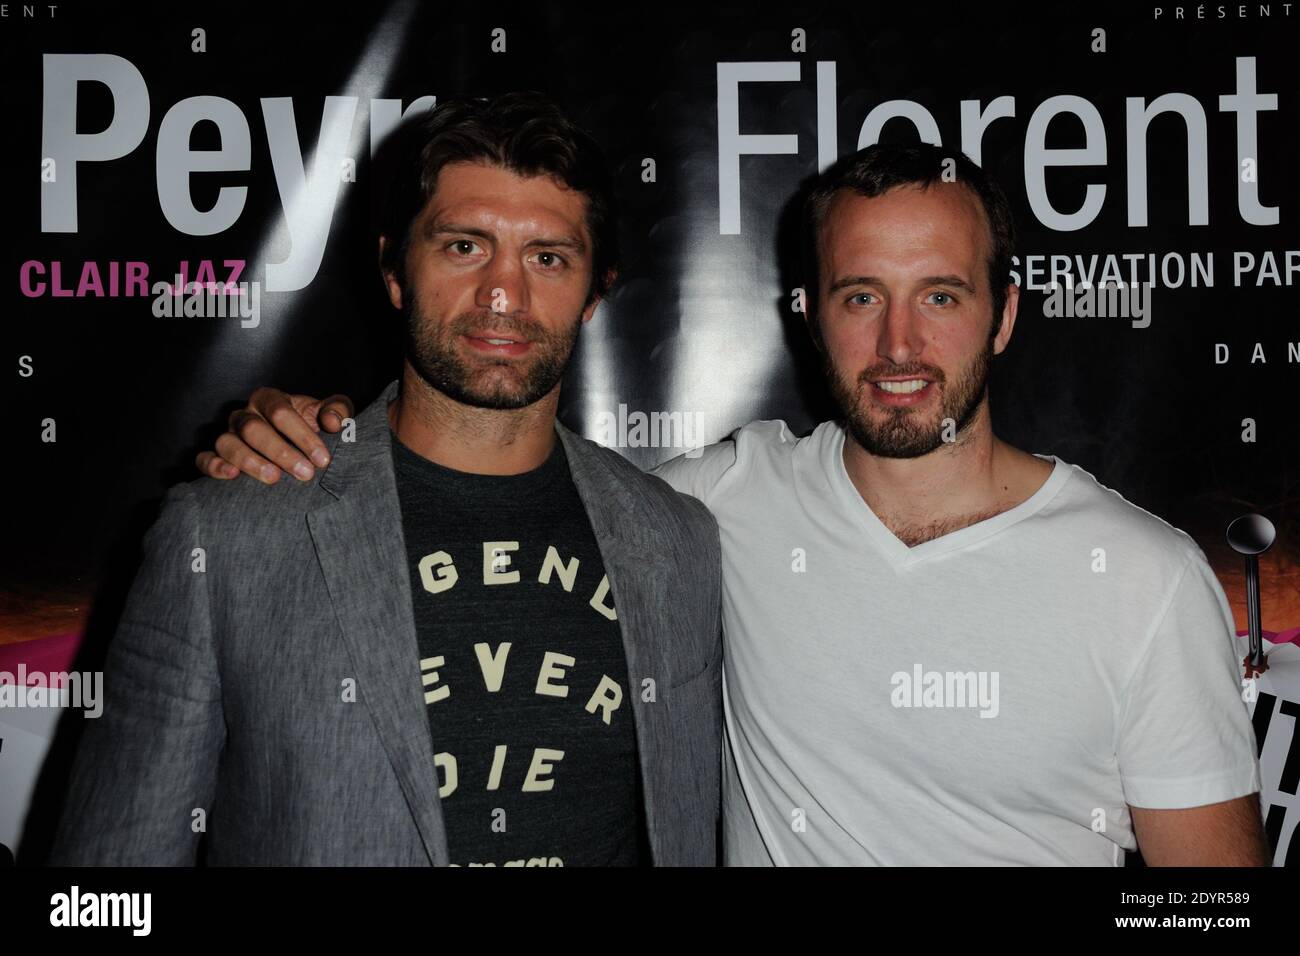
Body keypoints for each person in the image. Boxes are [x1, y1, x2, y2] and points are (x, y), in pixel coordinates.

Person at [194, 141, 1269, 866]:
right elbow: (494, 464)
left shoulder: (1139, 573)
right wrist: (318, 434)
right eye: (861, 297)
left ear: (1002, 315)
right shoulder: (714, 506)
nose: (898, 347)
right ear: (811, 317)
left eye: (939, 296)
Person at [48, 92, 723, 867]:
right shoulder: (228, 536)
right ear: (395, 272)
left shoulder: (679, 542)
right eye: (464, 247)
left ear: (596, 291)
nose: (503, 295)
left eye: (547, 257)